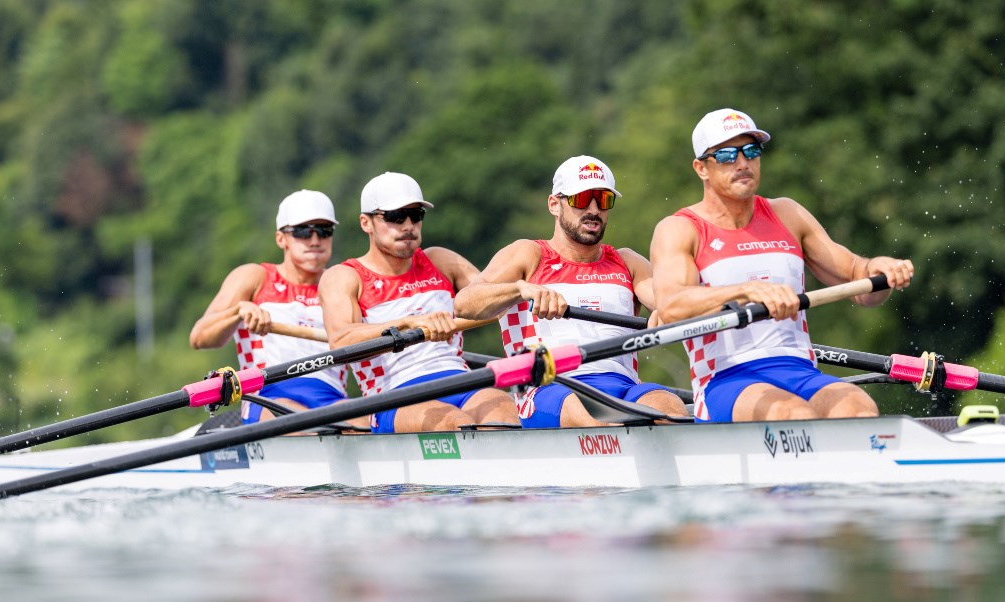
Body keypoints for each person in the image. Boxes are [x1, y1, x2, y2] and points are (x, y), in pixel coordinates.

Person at [650, 108, 915, 423]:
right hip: (726, 379)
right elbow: (671, 306)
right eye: (726, 155)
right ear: (701, 168)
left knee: (859, 409)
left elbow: (860, 283)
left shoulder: (788, 214)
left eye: (751, 151)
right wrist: (747, 291)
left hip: (799, 370)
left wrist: (879, 270)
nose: (742, 163)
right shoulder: (681, 229)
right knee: (791, 413)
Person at [455, 155, 689, 428]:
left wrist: (669, 311)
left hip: (623, 387)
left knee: (670, 409)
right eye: (582, 199)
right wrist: (521, 289)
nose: (594, 210)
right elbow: (464, 304)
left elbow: (674, 303)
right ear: (554, 205)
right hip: (548, 389)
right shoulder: (528, 254)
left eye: (603, 200)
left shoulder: (628, 262)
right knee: (592, 417)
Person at [318, 172, 520, 433]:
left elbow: (492, 297)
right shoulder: (345, 276)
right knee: (452, 422)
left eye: (416, 215)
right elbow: (341, 340)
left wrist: (524, 289)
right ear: (366, 223)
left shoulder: (440, 260)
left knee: (505, 413)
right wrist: (408, 324)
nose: (408, 226)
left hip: (460, 380)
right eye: (396, 216)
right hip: (392, 395)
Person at [190, 190, 350, 423]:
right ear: (281, 238)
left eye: (324, 231)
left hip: (332, 397)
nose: (315, 240)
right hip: (268, 395)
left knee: (366, 425)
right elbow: (199, 337)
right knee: (301, 422)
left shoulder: (343, 283)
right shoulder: (255, 277)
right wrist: (238, 311)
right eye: (303, 231)